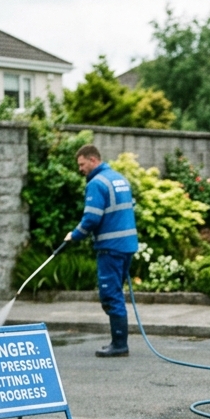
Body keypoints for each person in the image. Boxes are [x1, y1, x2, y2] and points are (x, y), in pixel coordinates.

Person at [65, 144, 138, 357]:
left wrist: (73, 235)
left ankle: (119, 345)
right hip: (127, 245)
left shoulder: (97, 183)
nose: (80, 169)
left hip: (110, 247)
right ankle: (119, 342)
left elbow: (92, 218)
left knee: (110, 294)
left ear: (93, 160)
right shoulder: (119, 179)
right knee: (116, 293)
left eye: (82, 164)